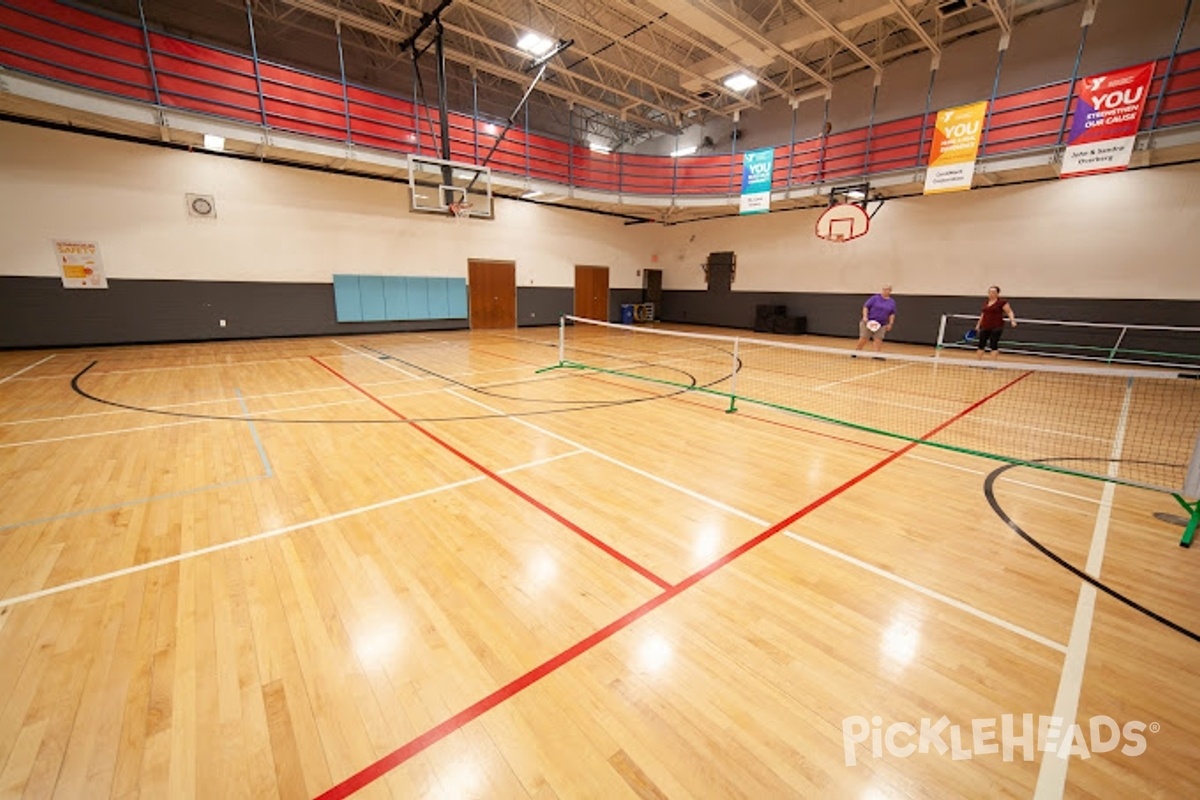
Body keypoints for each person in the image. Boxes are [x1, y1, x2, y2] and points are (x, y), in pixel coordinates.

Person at [974, 285, 1017, 360]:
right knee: (981, 344)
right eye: (990, 292)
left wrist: (1012, 321)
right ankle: (977, 361)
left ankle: (993, 363)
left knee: (993, 345)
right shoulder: (986, 303)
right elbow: (983, 314)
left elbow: (1009, 312)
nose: (991, 293)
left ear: (997, 293)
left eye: (993, 292)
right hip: (985, 326)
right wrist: (978, 325)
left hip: (996, 327)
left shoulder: (1002, 302)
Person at [855, 284, 896, 356]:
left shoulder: (892, 302)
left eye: (887, 289)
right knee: (864, 338)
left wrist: (890, 323)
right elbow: (866, 307)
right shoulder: (874, 298)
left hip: (881, 324)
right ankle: (856, 352)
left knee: (878, 339)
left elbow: (892, 313)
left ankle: (877, 355)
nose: (885, 291)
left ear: (890, 291)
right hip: (868, 322)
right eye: (884, 289)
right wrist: (865, 317)